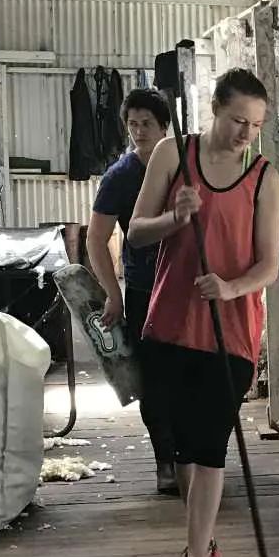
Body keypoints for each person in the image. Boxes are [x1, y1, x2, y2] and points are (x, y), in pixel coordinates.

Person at [126, 69, 279, 557]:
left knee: (210, 439)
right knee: (186, 441)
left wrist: (231, 286)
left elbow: (269, 265)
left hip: (231, 330)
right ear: (215, 109)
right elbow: (136, 231)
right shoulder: (175, 154)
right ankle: (202, 543)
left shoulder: (263, 177)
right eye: (238, 120)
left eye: (256, 125)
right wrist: (176, 216)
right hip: (172, 321)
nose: (246, 133)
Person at [86, 86, 181, 496]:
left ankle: (196, 458)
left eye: (147, 124)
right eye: (132, 125)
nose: (139, 132)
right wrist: (114, 292)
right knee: (156, 378)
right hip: (146, 288)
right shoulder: (121, 177)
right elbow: (96, 238)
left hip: (190, 285)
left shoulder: (186, 166)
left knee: (195, 373)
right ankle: (166, 462)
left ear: (165, 127)